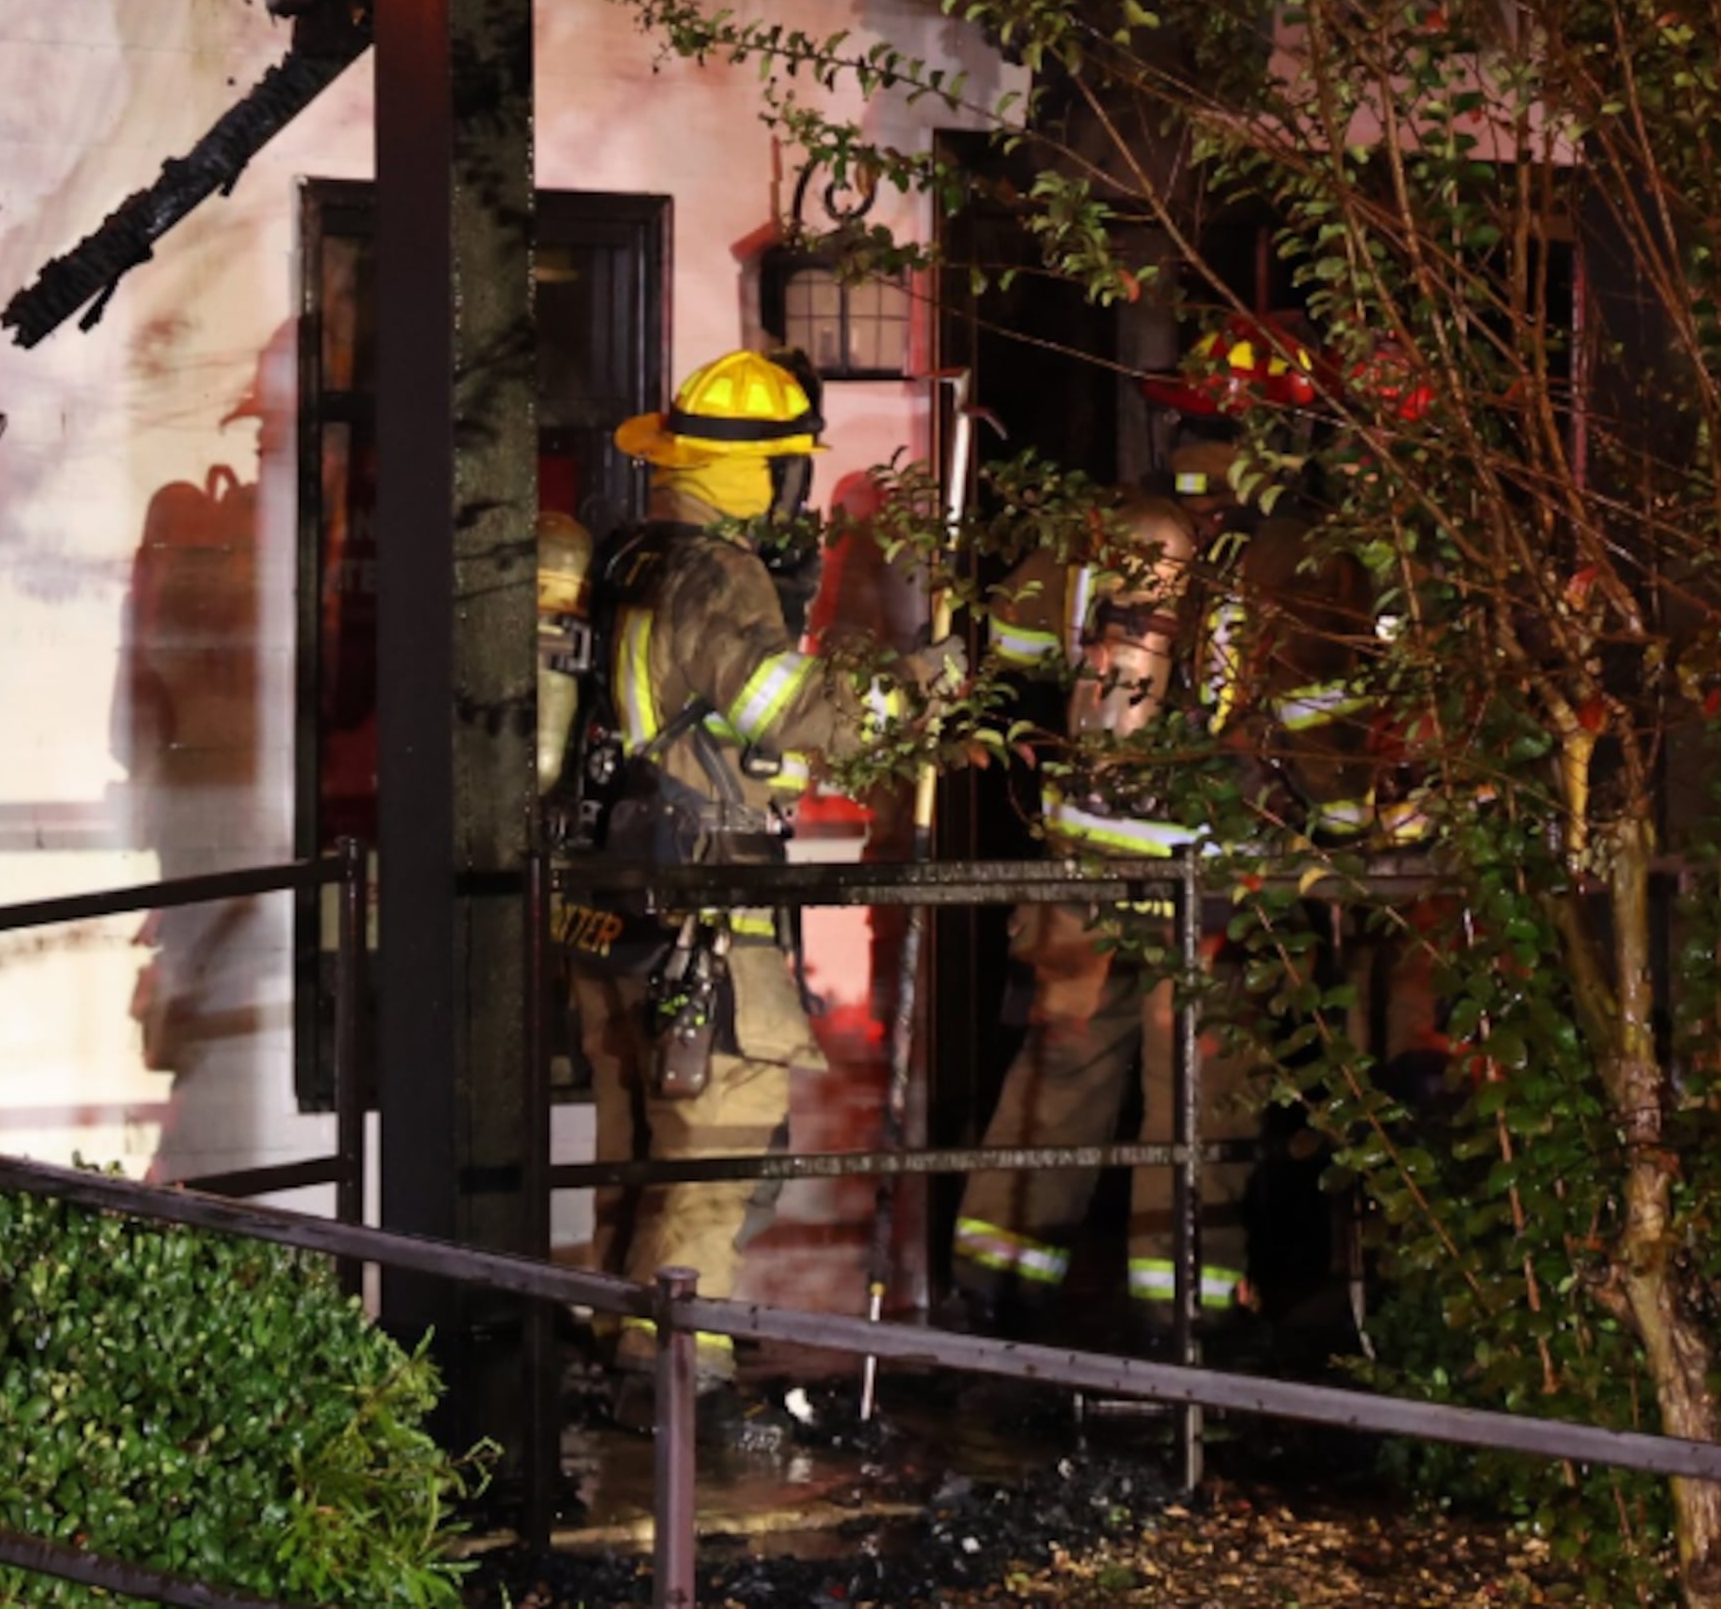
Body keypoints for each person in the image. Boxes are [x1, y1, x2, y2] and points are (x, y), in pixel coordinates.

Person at [953, 327, 1379, 1350]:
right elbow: (1325, 733)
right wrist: (1359, 839)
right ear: (1285, 429)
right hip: (1216, 878)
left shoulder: (1098, 529)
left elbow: (1009, 654)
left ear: (1175, 420)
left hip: (1081, 859)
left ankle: (992, 1298)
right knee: (1199, 1103)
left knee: (1054, 1078)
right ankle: (1177, 1318)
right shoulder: (1299, 552)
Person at [569, 348, 932, 1387]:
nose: (793, 486)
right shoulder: (717, 575)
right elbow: (790, 715)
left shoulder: (626, 555)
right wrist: (918, 684)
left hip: (619, 901)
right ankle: (681, 1377)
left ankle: (616, 1342)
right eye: (786, 467)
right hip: (707, 904)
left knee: (632, 1148)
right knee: (717, 1147)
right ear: (760, 475)